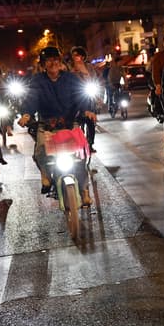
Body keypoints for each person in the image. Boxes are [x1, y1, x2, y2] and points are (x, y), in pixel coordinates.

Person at [17, 46, 97, 206]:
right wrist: (26, 114)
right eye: (49, 60)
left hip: (69, 123)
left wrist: (88, 109)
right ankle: (45, 175)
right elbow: (31, 99)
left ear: (60, 62)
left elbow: (81, 95)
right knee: (40, 150)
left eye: (55, 60)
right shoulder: (38, 81)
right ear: (43, 64)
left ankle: (84, 191)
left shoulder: (71, 78)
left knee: (80, 157)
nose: (53, 63)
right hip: (47, 125)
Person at [68, 46, 101, 153]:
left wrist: (97, 96)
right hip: (77, 97)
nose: (75, 57)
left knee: (91, 122)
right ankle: (78, 142)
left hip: (89, 94)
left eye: (77, 55)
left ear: (82, 56)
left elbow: (95, 79)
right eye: (73, 55)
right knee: (76, 122)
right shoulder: (70, 68)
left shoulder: (89, 67)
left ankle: (90, 143)